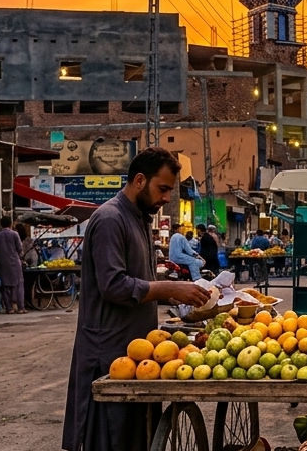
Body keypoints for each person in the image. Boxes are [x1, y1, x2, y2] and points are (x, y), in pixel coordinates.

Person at [63, 148, 211, 451]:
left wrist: (177, 306)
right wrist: (169, 288)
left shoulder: (140, 219)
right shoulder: (109, 219)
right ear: (140, 180)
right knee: (110, 437)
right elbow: (114, 286)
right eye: (163, 188)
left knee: (138, 436)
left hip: (139, 352)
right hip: (108, 353)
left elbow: (141, 284)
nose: (167, 198)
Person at [0, 216, 26, 314]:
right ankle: (21, 308)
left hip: (3, 263)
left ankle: (9, 308)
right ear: (10, 224)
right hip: (15, 263)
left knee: (5, 286)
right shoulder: (15, 234)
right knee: (18, 285)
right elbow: (20, 249)